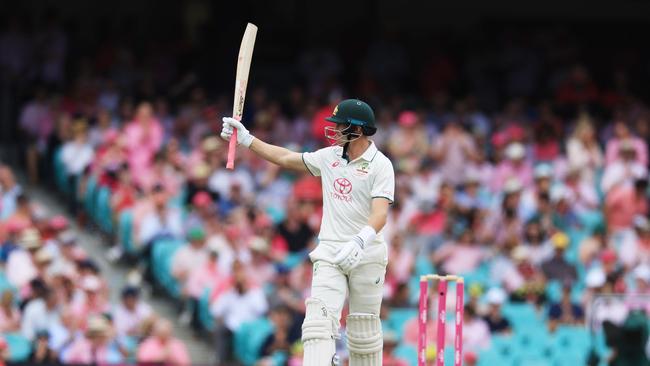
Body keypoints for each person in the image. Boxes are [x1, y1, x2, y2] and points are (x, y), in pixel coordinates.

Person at [221, 98, 395, 365]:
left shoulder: (381, 165)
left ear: (358, 130)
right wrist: (247, 140)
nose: (334, 131)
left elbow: (380, 214)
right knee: (317, 322)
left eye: (340, 126)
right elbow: (285, 157)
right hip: (330, 251)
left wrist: (360, 240)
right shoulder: (330, 157)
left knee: (364, 331)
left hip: (367, 252)